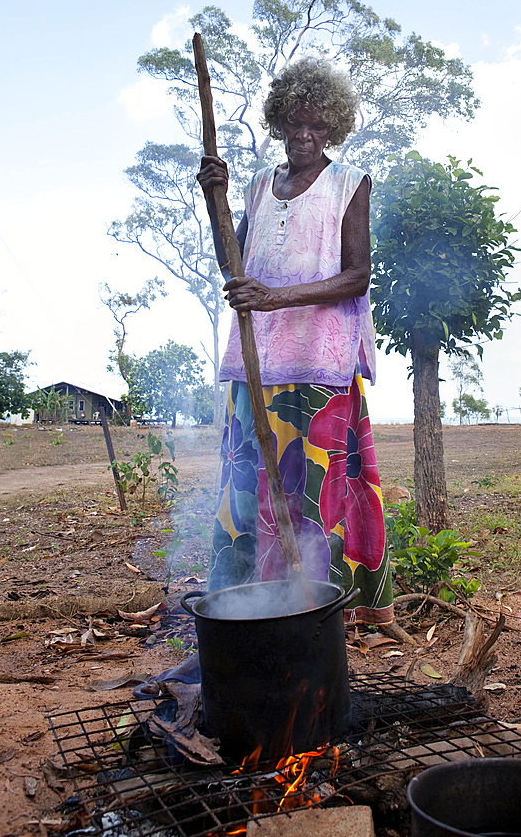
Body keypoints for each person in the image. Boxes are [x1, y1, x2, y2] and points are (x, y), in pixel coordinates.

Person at [197, 57, 393, 625]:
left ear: (333, 126)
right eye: (294, 125)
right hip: (256, 363)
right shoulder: (260, 187)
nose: (305, 136)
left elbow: (357, 276)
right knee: (252, 485)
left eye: (318, 126)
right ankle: (250, 607)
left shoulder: (348, 185)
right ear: (279, 122)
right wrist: (218, 199)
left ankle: (330, 609)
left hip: (320, 364)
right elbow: (229, 261)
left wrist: (274, 298)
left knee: (315, 489)